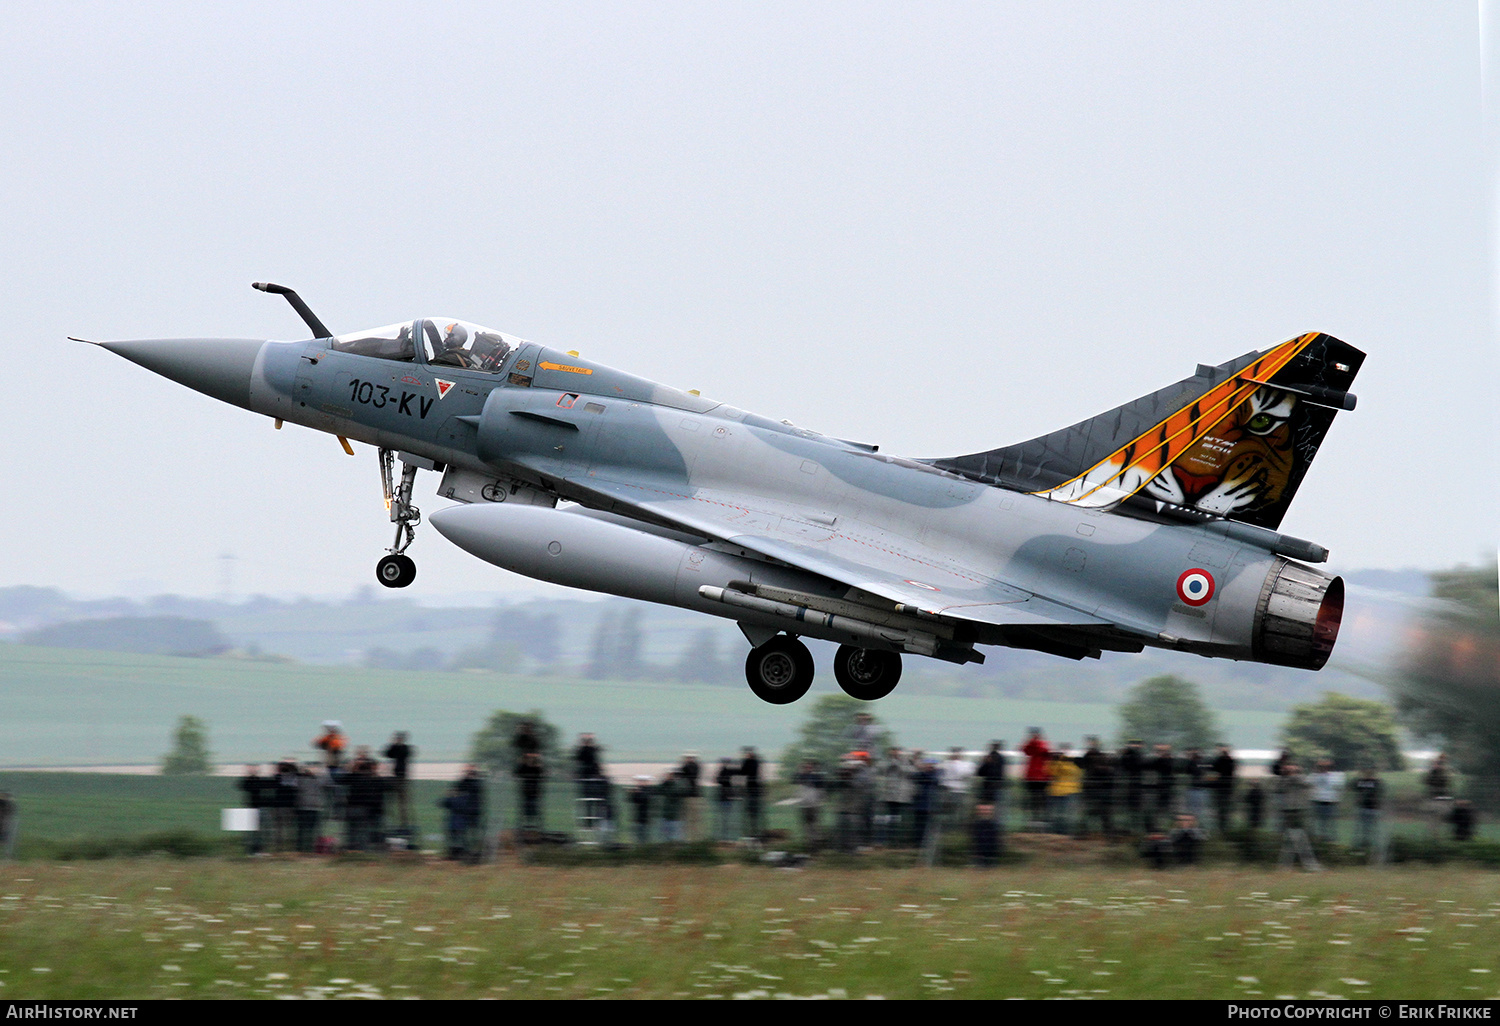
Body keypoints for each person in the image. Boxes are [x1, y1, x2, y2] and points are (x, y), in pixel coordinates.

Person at [1276, 762, 1319, 871]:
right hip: (1289, 811)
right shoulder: (1284, 780)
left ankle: (1286, 865)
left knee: (1296, 837)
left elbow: (1307, 784)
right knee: (1294, 837)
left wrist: (1294, 775)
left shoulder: (1301, 778)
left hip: (1299, 810)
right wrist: (1288, 775)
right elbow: (1280, 788)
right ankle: (1307, 865)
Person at [383, 731, 415, 834]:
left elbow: (403, 754)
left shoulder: (405, 748)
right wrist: (393, 745)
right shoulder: (395, 747)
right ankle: (391, 821)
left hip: (401, 777)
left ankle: (404, 823)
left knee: (402, 801)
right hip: (394, 776)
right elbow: (387, 754)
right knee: (392, 800)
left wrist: (397, 745)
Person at [1021, 729, 1051, 828]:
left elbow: (1043, 750)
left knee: (1041, 798)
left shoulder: (1042, 745)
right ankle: (1035, 817)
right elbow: (1025, 750)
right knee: (1034, 798)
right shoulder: (1033, 745)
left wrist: (1034, 740)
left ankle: (1042, 818)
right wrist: (1032, 740)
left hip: (1041, 777)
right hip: (1033, 776)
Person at [1351, 766, 1383, 859]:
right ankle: (1360, 848)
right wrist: (1358, 776)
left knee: (1374, 830)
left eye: (1369, 773)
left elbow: (1380, 790)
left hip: (1373, 809)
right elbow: (1352, 786)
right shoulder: (1360, 782)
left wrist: (1377, 779)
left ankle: (1375, 849)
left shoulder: (1376, 782)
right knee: (1361, 829)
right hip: (1362, 808)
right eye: (1366, 773)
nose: (1367, 775)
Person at [794, 759, 825, 849]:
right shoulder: (802, 777)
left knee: (814, 824)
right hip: (805, 804)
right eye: (806, 767)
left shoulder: (816, 777)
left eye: (809, 766)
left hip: (814, 804)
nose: (808, 768)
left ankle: (816, 842)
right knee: (807, 825)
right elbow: (796, 780)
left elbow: (820, 789)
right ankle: (809, 842)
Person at [515, 750, 545, 832]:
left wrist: (538, 759)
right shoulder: (525, 767)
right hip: (526, 791)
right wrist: (523, 759)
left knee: (535, 809)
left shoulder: (537, 767)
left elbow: (541, 772)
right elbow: (517, 772)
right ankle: (525, 827)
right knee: (526, 809)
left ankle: (536, 827)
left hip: (535, 791)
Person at [1210, 744, 1237, 834]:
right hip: (1219, 789)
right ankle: (1220, 829)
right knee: (1219, 810)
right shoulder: (1217, 760)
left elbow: (1231, 768)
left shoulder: (1230, 760)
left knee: (1225, 810)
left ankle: (1225, 828)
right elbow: (1213, 769)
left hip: (1227, 789)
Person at [679, 752, 702, 842]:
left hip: (693, 795)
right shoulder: (686, 767)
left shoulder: (694, 767)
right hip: (687, 795)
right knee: (687, 818)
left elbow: (692, 776)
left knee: (694, 818)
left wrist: (686, 766)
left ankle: (695, 838)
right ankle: (688, 838)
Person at [740, 747, 763, 839]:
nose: (747, 755)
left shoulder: (754, 762)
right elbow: (743, 772)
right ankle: (750, 830)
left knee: (754, 810)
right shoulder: (747, 762)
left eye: (748, 754)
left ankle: (755, 830)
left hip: (754, 788)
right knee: (749, 810)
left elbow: (749, 772)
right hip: (749, 788)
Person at [715, 757, 738, 840]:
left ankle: (726, 836)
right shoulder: (730, 771)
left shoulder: (724, 771)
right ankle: (726, 836)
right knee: (726, 817)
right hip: (727, 797)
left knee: (725, 818)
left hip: (725, 796)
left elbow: (719, 780)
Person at [0, 791, 15, 860]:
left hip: (4, 825)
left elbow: (10, 812)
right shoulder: (7, 804)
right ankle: (7, 855)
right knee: (5, 840)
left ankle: (7, 855)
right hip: (4, 825)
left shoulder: (7, 804)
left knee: (5, 840)